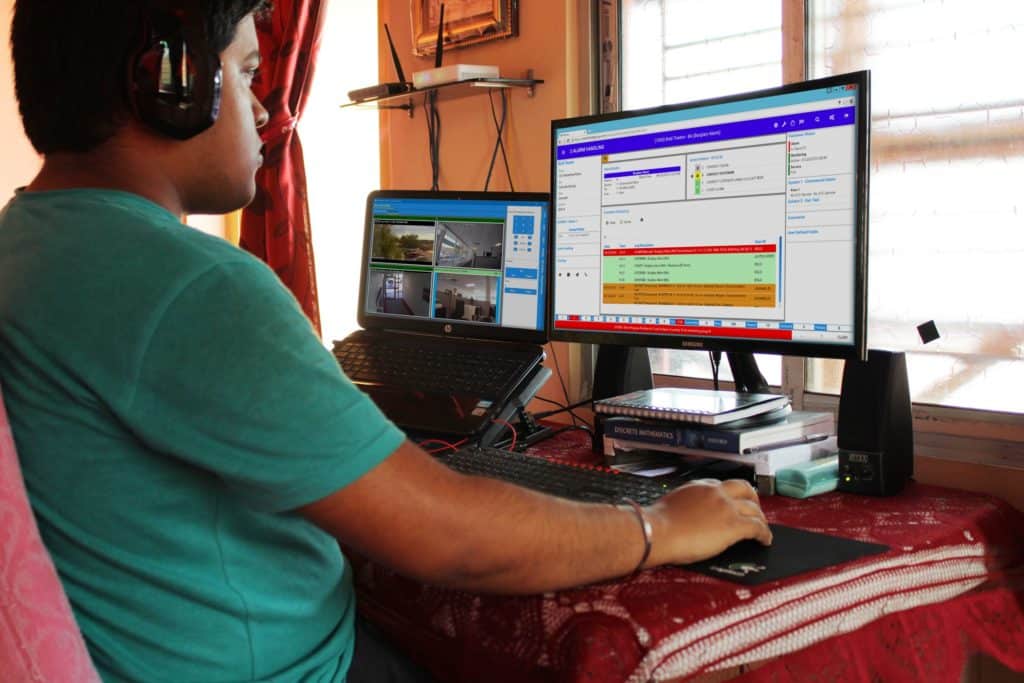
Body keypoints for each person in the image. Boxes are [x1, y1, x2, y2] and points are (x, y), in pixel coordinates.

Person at [0, 1, 772, 681]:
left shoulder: (28, 245)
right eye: (243, 72)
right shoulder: (191, 287)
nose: (266, 108)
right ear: (167, 86)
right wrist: (661, 524)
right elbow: (451, 536)